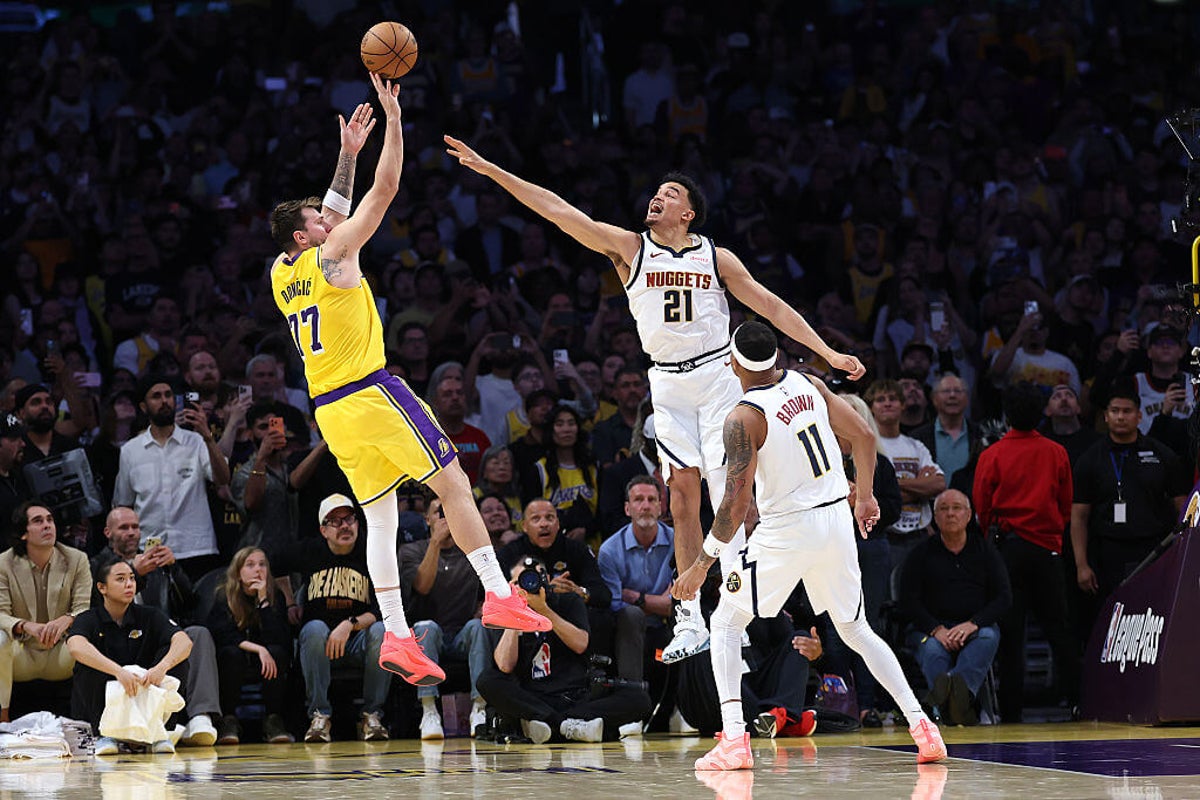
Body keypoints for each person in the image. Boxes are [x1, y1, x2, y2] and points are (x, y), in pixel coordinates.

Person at [445, 135, 864, 664]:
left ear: (688, 214)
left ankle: (736, 610)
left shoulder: (716, 257)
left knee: (728, 492)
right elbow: (558, 211)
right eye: (656, 192)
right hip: (666, 385)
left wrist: (827, 352)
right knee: (681, 498)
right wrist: (492, 170)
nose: (657, 198)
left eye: (670, 194)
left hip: (717, 376)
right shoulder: (630, 248)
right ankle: (689, 618)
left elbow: (772, 306)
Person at [268, 75, 549, 690]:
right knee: (453, 482)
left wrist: (347, 153)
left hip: (330, 411)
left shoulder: (282, 271)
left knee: (382, 517)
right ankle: (498, 593)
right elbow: (386, 188)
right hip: (371, 391)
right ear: (306, 236)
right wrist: (394, 120)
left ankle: (396, 634)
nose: (330, 219)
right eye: (319, 221)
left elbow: (333, 209)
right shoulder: (336, 254)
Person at [672, 322, 945, 770]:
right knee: (857, 629)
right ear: (775, 355)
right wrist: (866, 496)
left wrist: (702, 563)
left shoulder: (744, 417)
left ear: (733, 362)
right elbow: (864, 435)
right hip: (836, 519)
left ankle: (735, 740)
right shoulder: (809, 383)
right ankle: (923, 728)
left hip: (789, 527)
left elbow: (736, 503)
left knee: (724, 622)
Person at [972, 382, 1078, 723]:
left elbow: (981, 506)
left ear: (1007, 414)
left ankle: (1012, 710)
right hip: (1047, 549)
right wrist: (1052, 533)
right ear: (1042, 412)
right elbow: (1065, 504)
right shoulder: (1056, 452)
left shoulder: (993, 454)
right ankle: (1077, 702)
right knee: (1058, 629)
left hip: (1008, 548)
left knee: (1011, 632)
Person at [476, 557, 653, 744]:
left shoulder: (568, 601)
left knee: (638, 698)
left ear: (547, 579)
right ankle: (568, 727)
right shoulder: (506, 614)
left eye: (534, 577)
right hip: (532, 699)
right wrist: (516, 610)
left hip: (573, 697)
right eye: (520, 581)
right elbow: (505, 665)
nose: (527, 585)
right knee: (487, 680)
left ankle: (549, 726)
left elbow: (580, 644)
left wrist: (544, 610)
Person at [95, 506, 220, 747]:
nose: (131, 532)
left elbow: (190, 603)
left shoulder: (154, 562)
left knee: (197, 634)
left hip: (157, 637)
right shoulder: (97, 564)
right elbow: (95, 607)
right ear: (108, 532)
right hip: (120, 640)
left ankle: (200, 717)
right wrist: (136, 573)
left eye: (135, 527)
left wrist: (173, 568)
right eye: (124, 528)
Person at [273, 494, 390, 743]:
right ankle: (320, 715)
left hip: (359, 642)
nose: (345, 526)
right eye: (335, 521)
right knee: (314, 628)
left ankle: (371, 715)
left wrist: (350, 624)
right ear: (323, 530)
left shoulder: (371, 552)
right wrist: (290, 601)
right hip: (320, 644)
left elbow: (383, 609)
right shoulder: (310, 550)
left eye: (349, 519)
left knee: (381, 631)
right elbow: (274, 562)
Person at [1071, 383, 1189, 625]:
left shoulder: (1163, 455)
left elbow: (1182, 510)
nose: (1120, 417)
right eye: (1115, 411)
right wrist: (1081, 565)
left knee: (1152, 617)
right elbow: (1079, 517)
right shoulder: (1089, 459)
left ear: (1139, 416)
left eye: (1127, 411)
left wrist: (1182, 556)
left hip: (1154, 549)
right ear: (1105, 416)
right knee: (1108, 620)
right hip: (1107, 552)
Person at [899, 490, 1011, 726]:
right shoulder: (920, 553)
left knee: (988, 637)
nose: (950, 513)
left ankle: (948, 699)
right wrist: (936, 629)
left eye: (957, 508)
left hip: (974, 628)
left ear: (969, 515)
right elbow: (907, 600)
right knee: (932, 650)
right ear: (935, 517)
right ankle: (960, 705)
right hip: (930, 631)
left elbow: (1003, 597)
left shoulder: (985, 551)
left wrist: (973, 624)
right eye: (944, 508)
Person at [66, 555, 193, 755]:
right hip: (108, 693)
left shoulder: (150, 615)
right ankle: (104, 734)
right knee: (85, 664)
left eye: (132, 578)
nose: (129, 584)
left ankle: (160, 733)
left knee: (177, 661)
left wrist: (162, 667)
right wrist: (118, 672)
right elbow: (76, 647)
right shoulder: (88, 618)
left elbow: (184, 642)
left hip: (144, 687)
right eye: (121, 579)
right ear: (102, 588)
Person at [112, 374, 230, 580]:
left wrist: (208, 437)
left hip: (196, 548)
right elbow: (124, 504)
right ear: (143, 407)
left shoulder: (196, 441)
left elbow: (223, 479)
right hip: (150, 551)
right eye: (156, 396)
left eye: (168, 395)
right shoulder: (130, 450)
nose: (164, 400)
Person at [399, 497, 492, 740]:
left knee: (478, 626)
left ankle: (479, 708)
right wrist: (435, 543)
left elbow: (491, 590)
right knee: (426, 628)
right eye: (439, 512)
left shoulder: (472, 551)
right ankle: (429, 710)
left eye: (450, 510)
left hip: (462, 633)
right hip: (429, 635)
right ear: (427, 519)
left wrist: (484, 605)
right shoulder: (411, 551)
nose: (445, 517)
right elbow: (422, 586)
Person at [0, 501, 91, 723]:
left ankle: (92, 720)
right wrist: (25, 625)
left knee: (94, 635)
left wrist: (67, 619)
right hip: (21, 652)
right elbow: (1, 613)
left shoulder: (77, 559)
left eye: (50, 520)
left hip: (62, 651)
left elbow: (84, 608)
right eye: (38, 521)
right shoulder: (3, 563)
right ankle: (2, 719)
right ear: (23, 533)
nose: (47, 525)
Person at [206, 546, 294, 745]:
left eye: (262, 565)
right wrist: (259, 649)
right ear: (238, 572)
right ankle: (228, 720)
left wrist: (263, 601)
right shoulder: (224, 596)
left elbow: (279, 638)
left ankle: (273, 719)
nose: (258, 570)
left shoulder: (275, 596)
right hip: (236, 654)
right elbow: (223, 635)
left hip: (265, 659)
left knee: (277, 653)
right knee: (231, 654)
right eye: (250, 565)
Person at [596, 475, 675, 684]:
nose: (645, 506)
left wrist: (636, 597)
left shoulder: (679, 542)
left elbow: (676, 603)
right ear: (627, 508)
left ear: (660, 507)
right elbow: (615, 606)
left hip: (670, 623)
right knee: (630, 615)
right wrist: (658, 603)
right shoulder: (609, 551)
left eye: (652, 500)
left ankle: (688, 700)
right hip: (628, 628)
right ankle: (631, 693)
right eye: (638, 500)